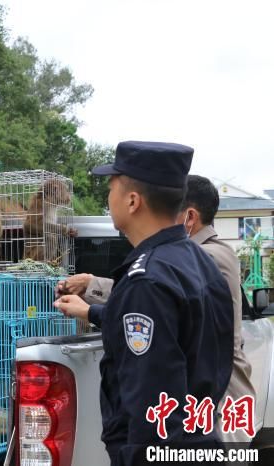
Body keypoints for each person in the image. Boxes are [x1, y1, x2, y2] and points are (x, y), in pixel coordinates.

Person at [54, 141, 234, 465]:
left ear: (133, 200)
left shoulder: (148, 282)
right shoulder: (197, 262)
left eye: (112, 188)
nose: (108, 199)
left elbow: (152, 408)